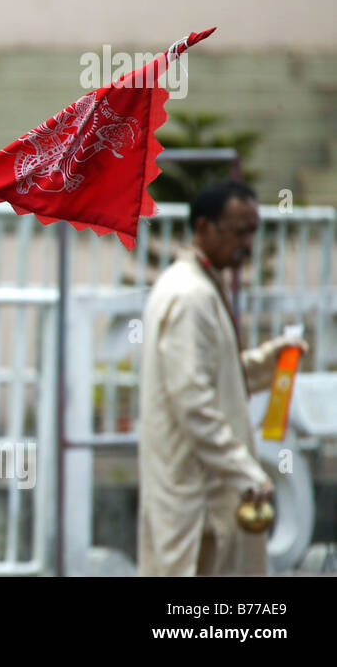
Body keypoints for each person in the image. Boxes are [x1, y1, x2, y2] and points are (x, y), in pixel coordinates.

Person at [137, 180, 308, 576]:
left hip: (205, 488)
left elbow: (218, 377)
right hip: (195, 495)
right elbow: (192, 399)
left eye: (253, 231)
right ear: (204, 228)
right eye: (239, 231)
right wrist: (244, 469)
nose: (248, 244)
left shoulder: (199, 286)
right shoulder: (190, 296)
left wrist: (270, 361)